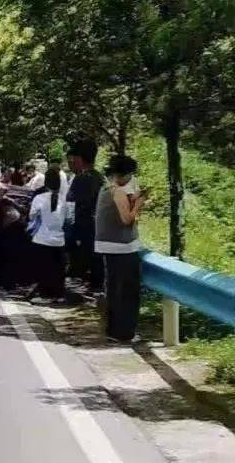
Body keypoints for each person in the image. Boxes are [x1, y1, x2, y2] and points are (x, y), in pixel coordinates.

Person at [94, 155, 147, 342]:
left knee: (114, 291)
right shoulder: (117, 191)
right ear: (124, 174)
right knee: (127, 293)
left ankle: (114, 331)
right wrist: (139, 204)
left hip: (108, 246)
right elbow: (126, 219)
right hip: (122, 248)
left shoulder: (106, 189)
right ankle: (124, 333)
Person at [65, 139, 104, 293]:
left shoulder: (82, 179)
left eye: (72, 159)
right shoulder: (99, 177)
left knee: (86, 259)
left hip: (84, 228)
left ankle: (91, 287)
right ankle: (96, 287)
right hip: (97, 226)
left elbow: (72, 205)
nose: (71, 163)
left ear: (79, 159)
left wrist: (70, 232)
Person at [27, 167, 68, 301]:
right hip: (59, 239)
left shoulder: (39, 198)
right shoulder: (64, 199)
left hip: (42, 238)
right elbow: (68, 219)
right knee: (57, 270)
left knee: (43, 269)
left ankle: (44, 295)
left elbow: (32, 216)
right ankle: (57, 294)